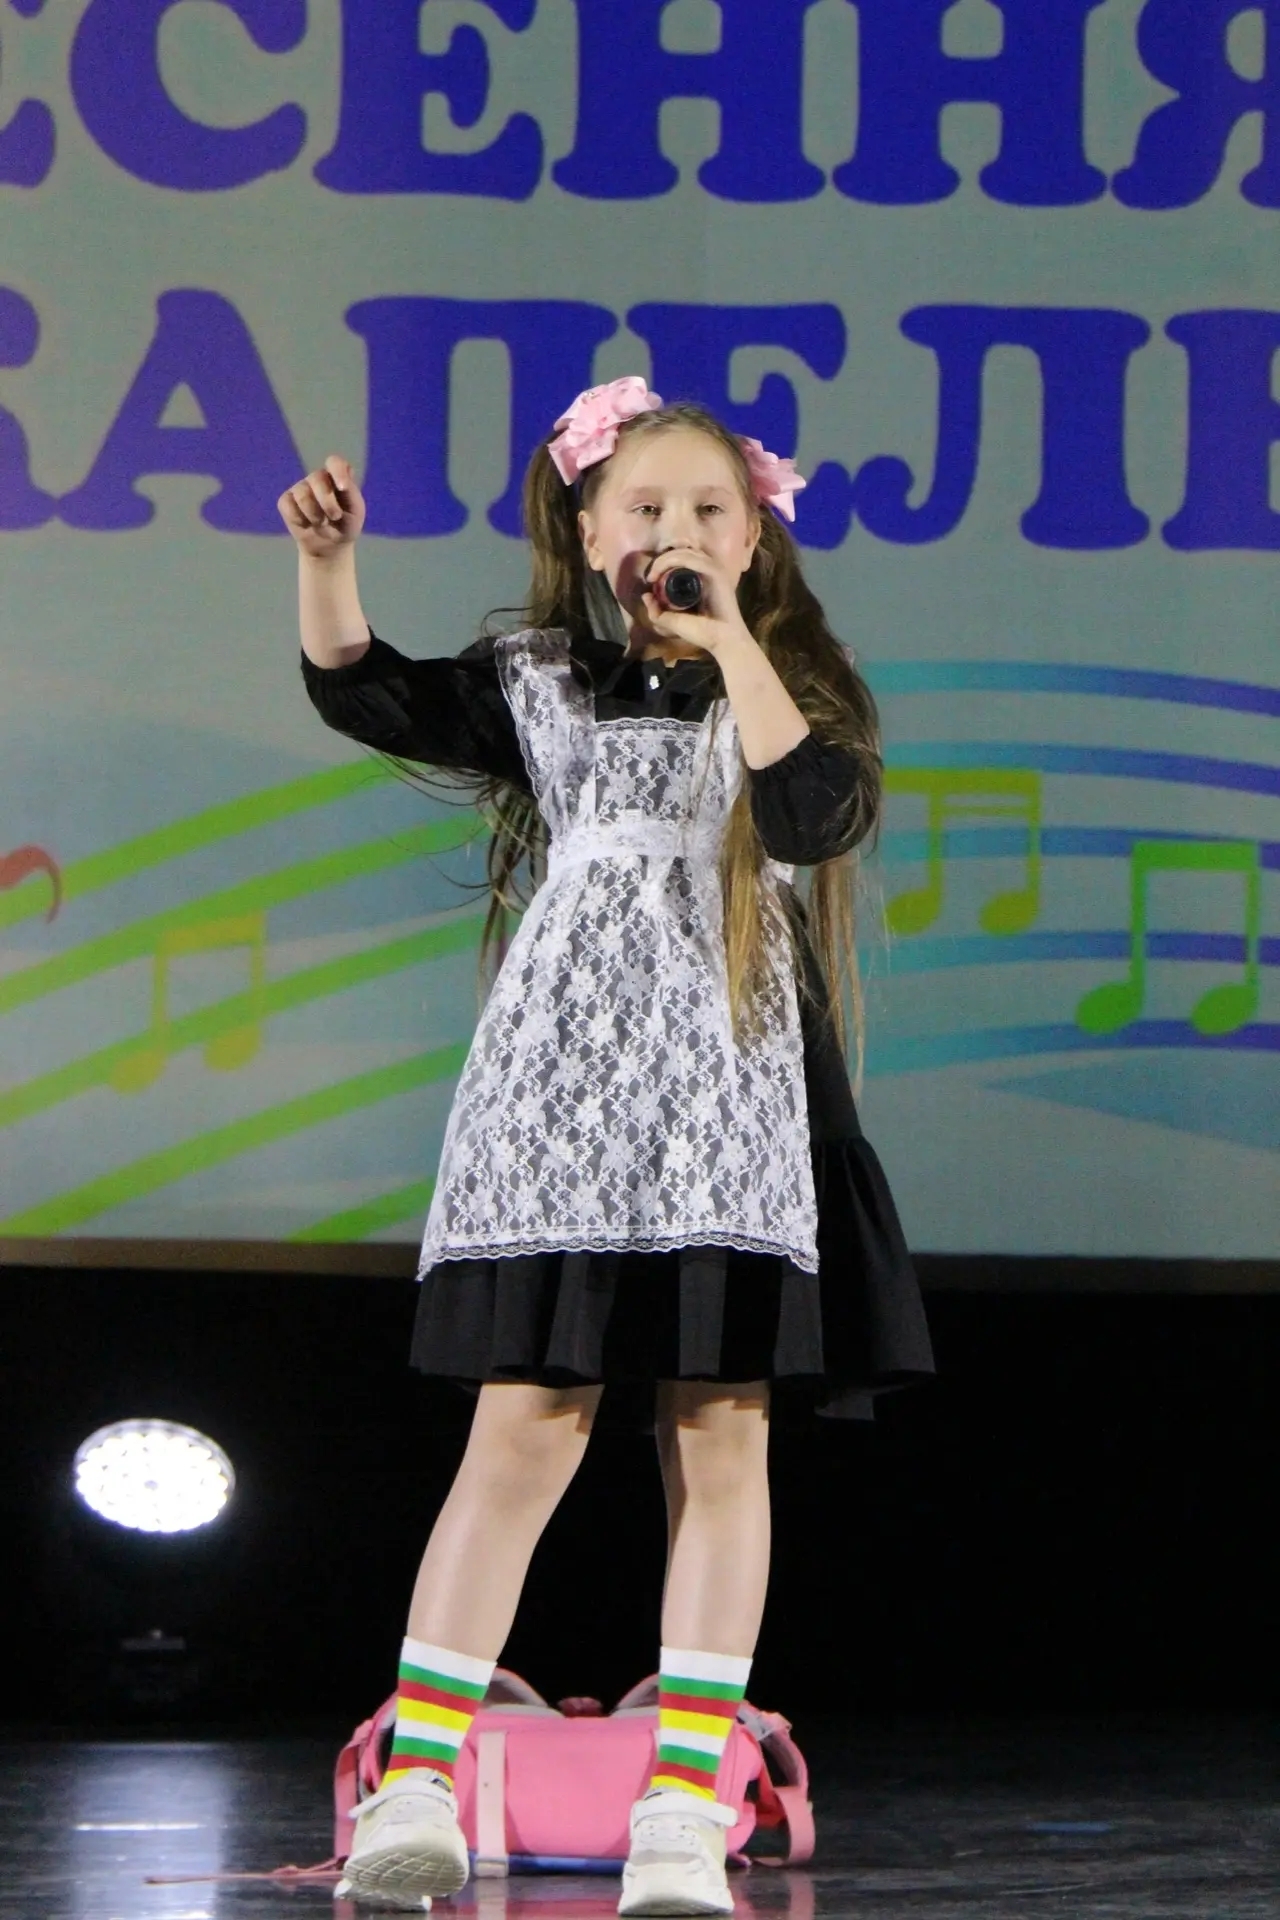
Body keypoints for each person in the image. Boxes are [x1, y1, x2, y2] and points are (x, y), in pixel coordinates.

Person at [279, 377, 934, 1916]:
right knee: (523, 1428)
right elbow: (367, 690)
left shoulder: (789, 690)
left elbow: (814, 816)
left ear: (754, 539)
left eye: (710, 510)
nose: (675, 531)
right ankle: (419, 1781)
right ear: (588, 532)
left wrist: (733, 640)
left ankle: (682, 1810)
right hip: (563, 1109)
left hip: (731, 1114)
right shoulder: (538, 678)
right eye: (645, 507)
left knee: (720, 1433)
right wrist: (326, 565)